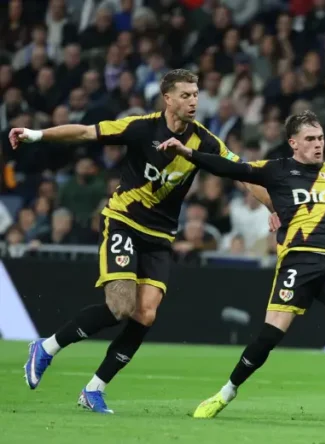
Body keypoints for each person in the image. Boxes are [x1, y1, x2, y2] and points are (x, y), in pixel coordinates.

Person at [14, 69, 272, 414]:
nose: (193, 101)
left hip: (160, 236)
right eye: (185, 95)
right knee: (120, 306)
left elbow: (244, 174)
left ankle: (94, 389)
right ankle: (46, 347)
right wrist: (36, 134)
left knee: (146, 314)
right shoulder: (141, 128)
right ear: (168, 98)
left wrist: (274, 209)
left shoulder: (205, 141)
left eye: (196, 94)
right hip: (124, 222)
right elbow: (87, 131)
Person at [157, 110, 325, 418]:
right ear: (293, 143)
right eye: (310, 139)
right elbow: (232, 169)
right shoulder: (277, 170)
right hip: (297, 263)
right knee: (269, 337)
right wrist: (188, 153)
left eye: (321, 138)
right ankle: (226, 392)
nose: (318, 144)